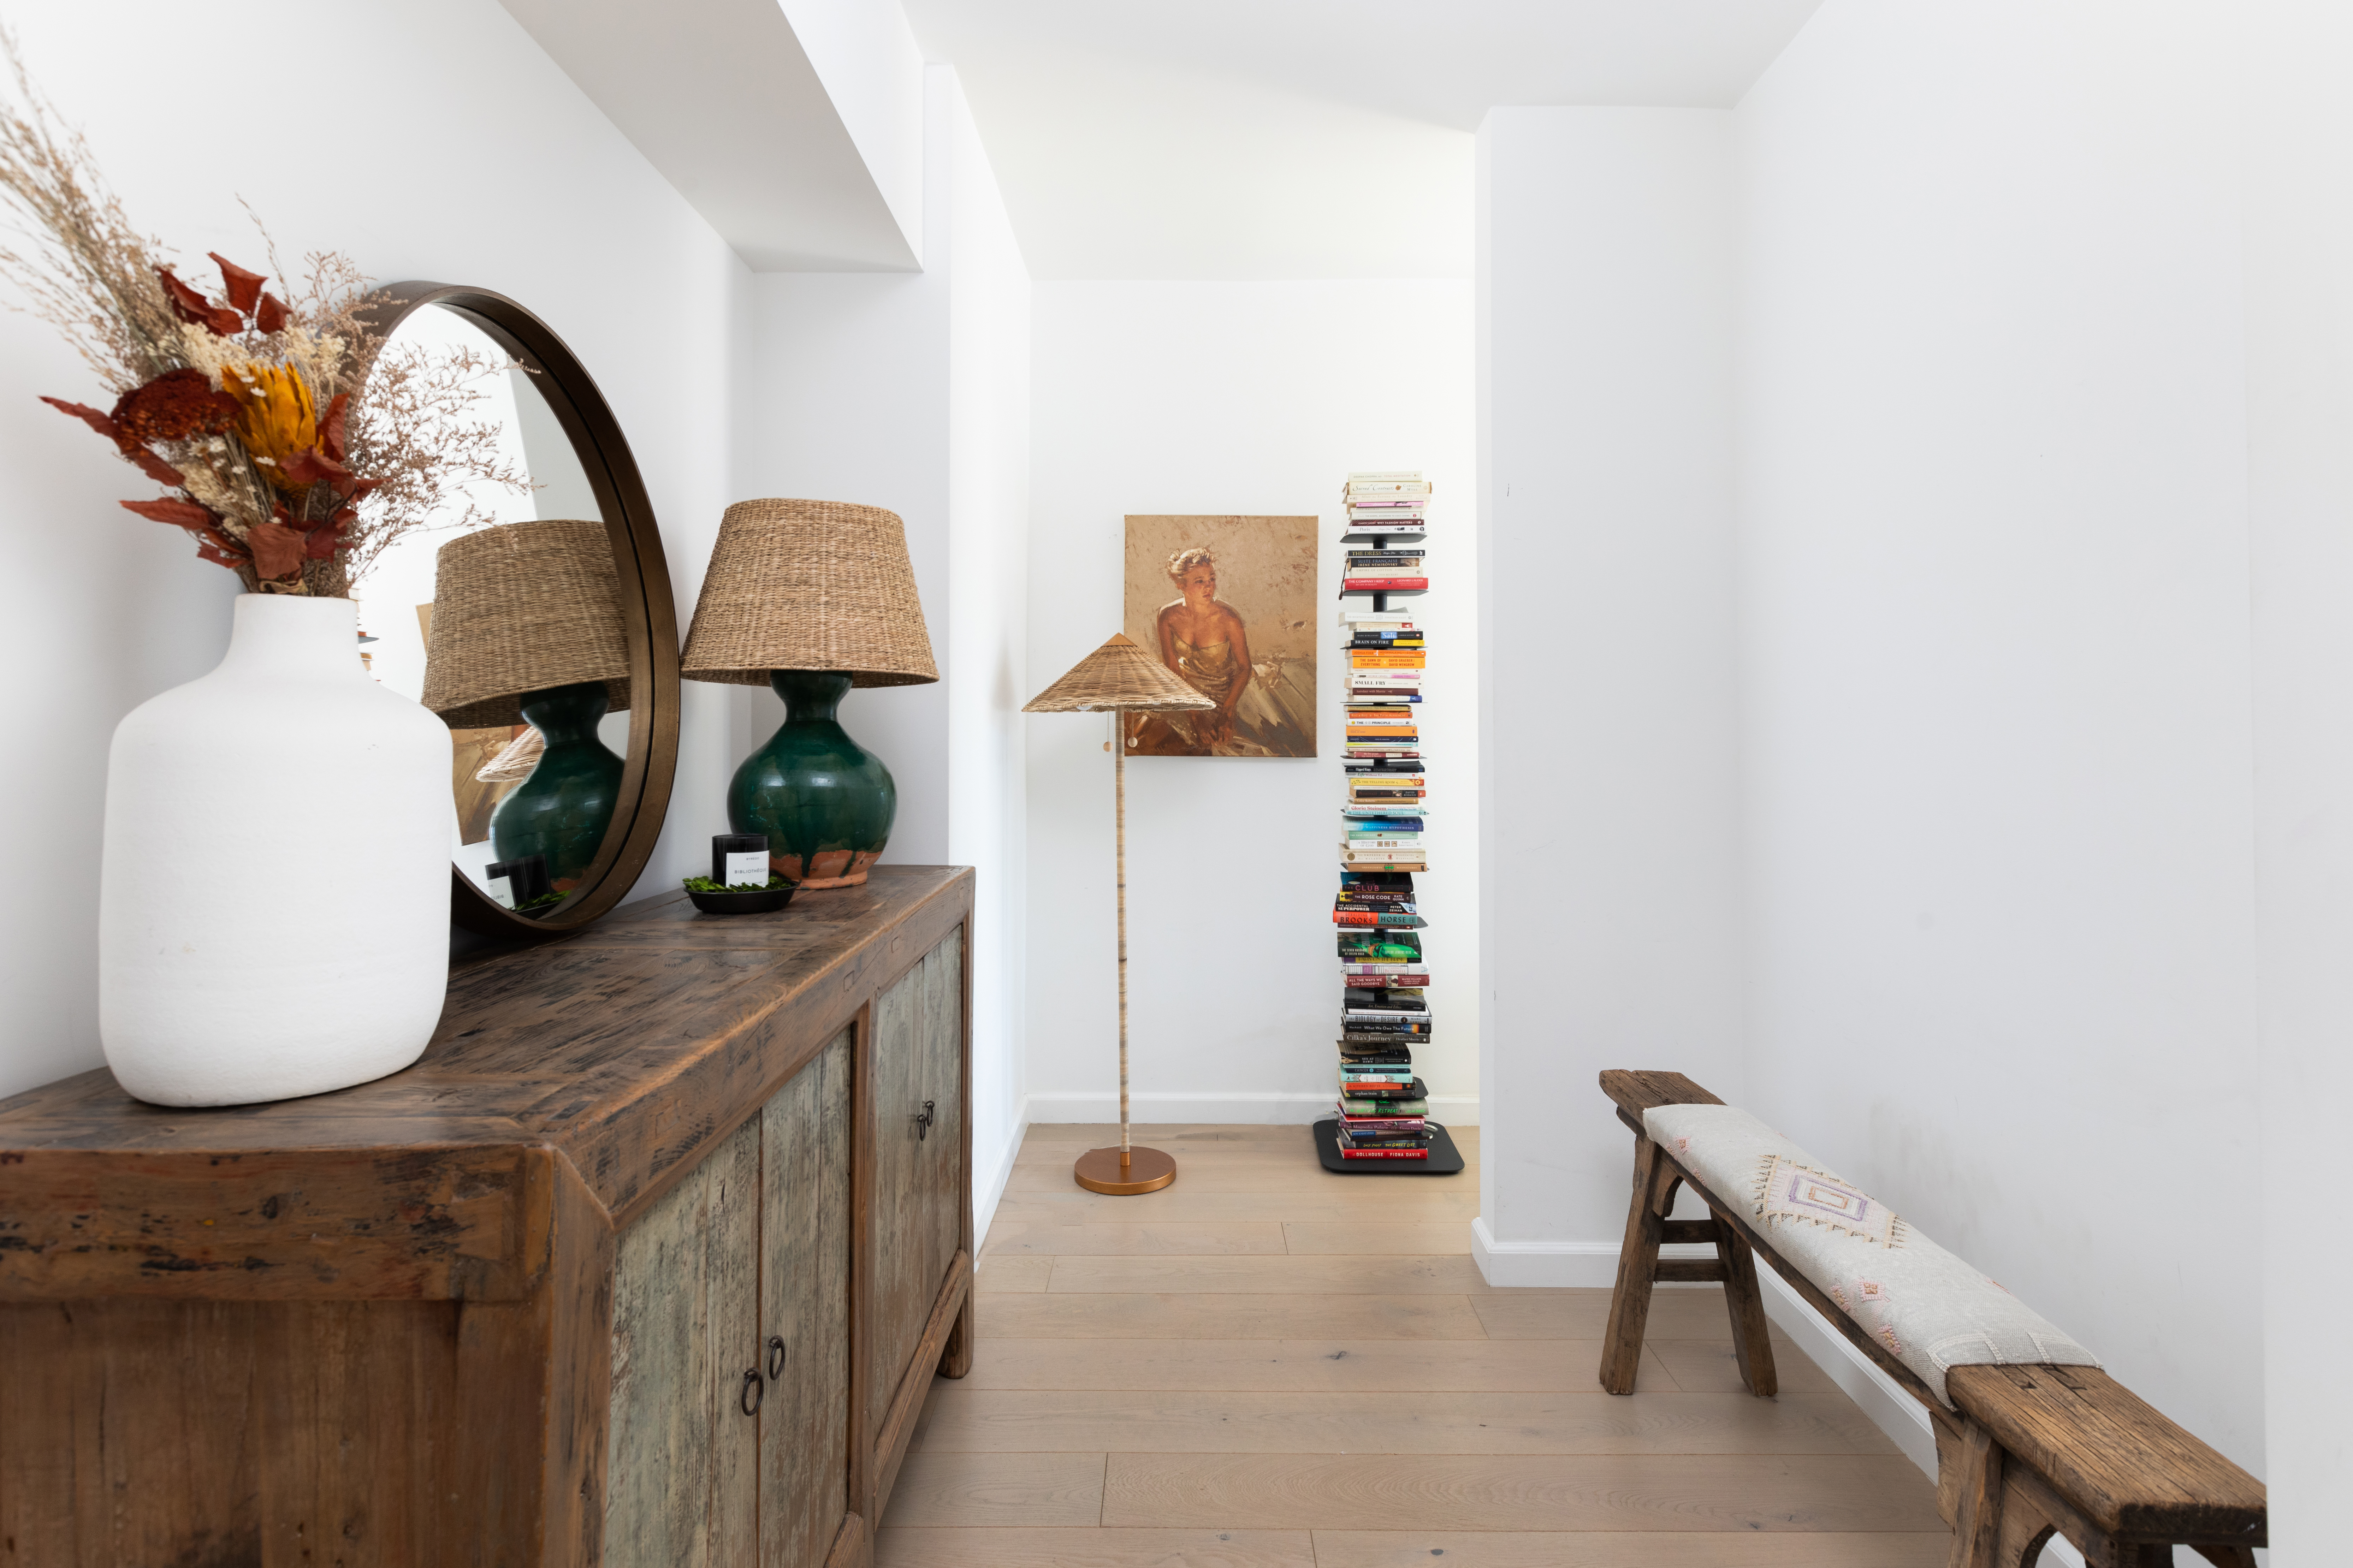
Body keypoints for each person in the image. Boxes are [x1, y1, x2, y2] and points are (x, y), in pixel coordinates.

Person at [1152, 546, 1252, 750]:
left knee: (1221, 748)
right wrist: (1196, 717)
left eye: (1212, 579)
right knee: (1150, 736)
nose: (1209, 587)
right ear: (1181, 585)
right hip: (1184, 694)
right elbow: (1172, 669)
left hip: (1224, 699)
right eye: (1200, 582)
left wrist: (1227, 713)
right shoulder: (1168, 617)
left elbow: (1244, 668)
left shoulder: (1228, 618)